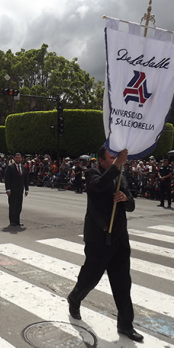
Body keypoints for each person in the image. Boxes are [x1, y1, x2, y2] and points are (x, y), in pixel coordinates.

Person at [67, 146, 143, 342]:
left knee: (123, 283)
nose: (116, 159)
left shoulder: (120, 177)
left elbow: (132, 204)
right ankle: (74, 299)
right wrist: (117, 166)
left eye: (116, 157)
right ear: (101, 161)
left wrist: (126, 199)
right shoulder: (93, 173)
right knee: (90, 278)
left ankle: (125, 324)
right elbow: (99, 186)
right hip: (99, 239)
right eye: (112, 157)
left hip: (119, 239)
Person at [5, 153, 29, 226]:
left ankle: (17, 220)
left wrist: (26, 189)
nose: (18, 159)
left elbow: (26, 179)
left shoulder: (23, 168)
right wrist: (8, 189)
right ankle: (12, 221)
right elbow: (7, 179)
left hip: (20, 190)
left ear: (21, 158)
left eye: (19, 158)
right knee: (13, 206)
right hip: (12, 190)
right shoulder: (10, 167)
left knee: (19, 206)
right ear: (14, 158)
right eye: (16, 158)